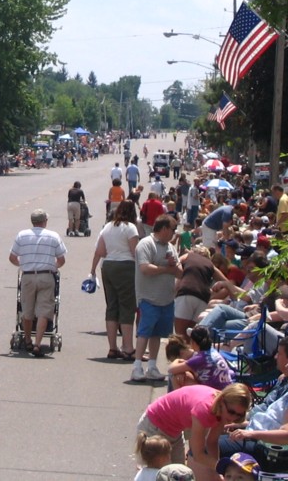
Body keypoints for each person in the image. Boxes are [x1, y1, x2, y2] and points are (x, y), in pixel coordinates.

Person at [220, 351, 288, 469]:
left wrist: (251, 434)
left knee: (209, 448)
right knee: (209, 441)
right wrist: (240, 424)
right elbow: (273, 422)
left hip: (271, 452)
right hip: (259, 440)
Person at [135, 383, 252, 476]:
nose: (233, 418)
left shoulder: (221, 411)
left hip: (174, 431)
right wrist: (224, 468)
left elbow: (212, 442)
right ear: (222, 401)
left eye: (239, 415)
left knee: (180, 474)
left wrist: (218, 472)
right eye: (231, 412)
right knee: (157, 475)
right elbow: (198, 454)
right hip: (154, 426)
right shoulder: (204, 409)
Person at [9, 208, 67, 356]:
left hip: (28, 275)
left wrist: (23, 264)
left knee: (27, 309)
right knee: (44, 310)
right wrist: (53, 266)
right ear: (44, 222)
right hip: (46, 276)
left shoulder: (22, 235)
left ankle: (27, 339)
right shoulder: (53, 236)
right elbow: (61, 259)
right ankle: (37, 343)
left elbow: (12, 257)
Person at [132, 216, 182, 381]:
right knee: (144, 332)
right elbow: (145, 268)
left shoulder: (171, 248)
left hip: (167, 299)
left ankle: (152, 366)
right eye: (173, 230)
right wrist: (166, 269)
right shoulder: (146, 244)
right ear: (164, 228)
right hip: (148, 298)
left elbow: (180, 272)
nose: (174, 234)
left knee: (158, 334)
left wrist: (173, 265)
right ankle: (137, 366)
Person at [90, 199, 140, 359]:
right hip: (125, 266)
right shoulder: (130, 228)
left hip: (108, 265)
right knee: (127, 306)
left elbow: (101, 250)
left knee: (112, 306)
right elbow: (135, 252)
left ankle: (112, 347)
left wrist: (92, 270)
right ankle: (128, 347)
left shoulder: (108, 227)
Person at [174, 244, 226, 337]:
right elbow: (226, 284)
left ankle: (180, 350)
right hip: (203, 297)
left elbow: (176, 264)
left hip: (186, 292)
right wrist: (213, 294)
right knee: (192, 334)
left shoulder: (188, 256)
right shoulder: (211, 265)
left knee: (180, 334)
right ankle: (192, 350)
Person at [169, 326, 234, 390]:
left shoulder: (199, 358)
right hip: (226, 391)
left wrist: (177, 360)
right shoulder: (212, 351)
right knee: (181, 372)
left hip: (215, 394)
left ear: (194, 343)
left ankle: (176, 399)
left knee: (175, 376)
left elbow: (171, 369)